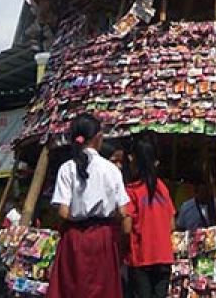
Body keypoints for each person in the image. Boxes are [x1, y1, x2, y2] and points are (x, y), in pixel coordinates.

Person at [47, 113, 131, 298]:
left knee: (72, 290)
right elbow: (124, 212)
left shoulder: (67, 168)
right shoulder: (111, 169)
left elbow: (62, 212)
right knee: (103, 290)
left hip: (75, 239)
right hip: (103, 238)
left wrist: (78, 216)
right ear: (98, 137)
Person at [124, 136, 175, 298]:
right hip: (164, 257)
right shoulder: (162, 188)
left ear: (135, 160)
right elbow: (171, 224)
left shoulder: (131, 190)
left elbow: (126, 228)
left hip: (141, 258)